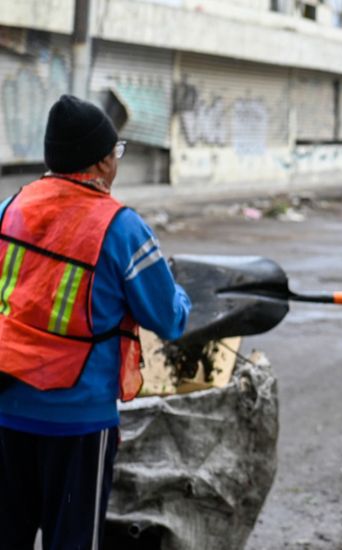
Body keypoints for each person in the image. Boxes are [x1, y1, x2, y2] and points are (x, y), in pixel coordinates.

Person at [0, 95, 191, 548]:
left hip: (6, 406)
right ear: (103, 162)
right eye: (117, 153)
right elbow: (169, 319)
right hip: (78, 421)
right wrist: (181, 293)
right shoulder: (121, 228)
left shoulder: (10, 209)